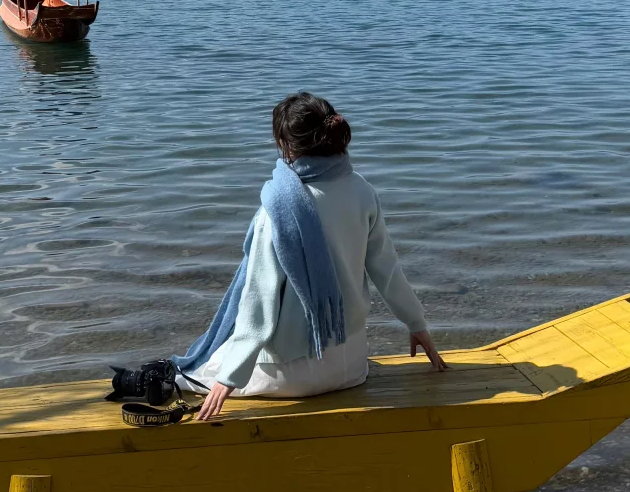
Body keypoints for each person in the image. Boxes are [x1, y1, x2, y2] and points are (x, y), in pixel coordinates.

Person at [175, 91, 447, 422]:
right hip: (351, 367)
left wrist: (228, 378)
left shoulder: (277, 208)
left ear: (285, 144)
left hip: (292, 379)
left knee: (189, 367)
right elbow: (387, 270)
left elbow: (259, 300)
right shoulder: (362, 190)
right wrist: (416, 324)